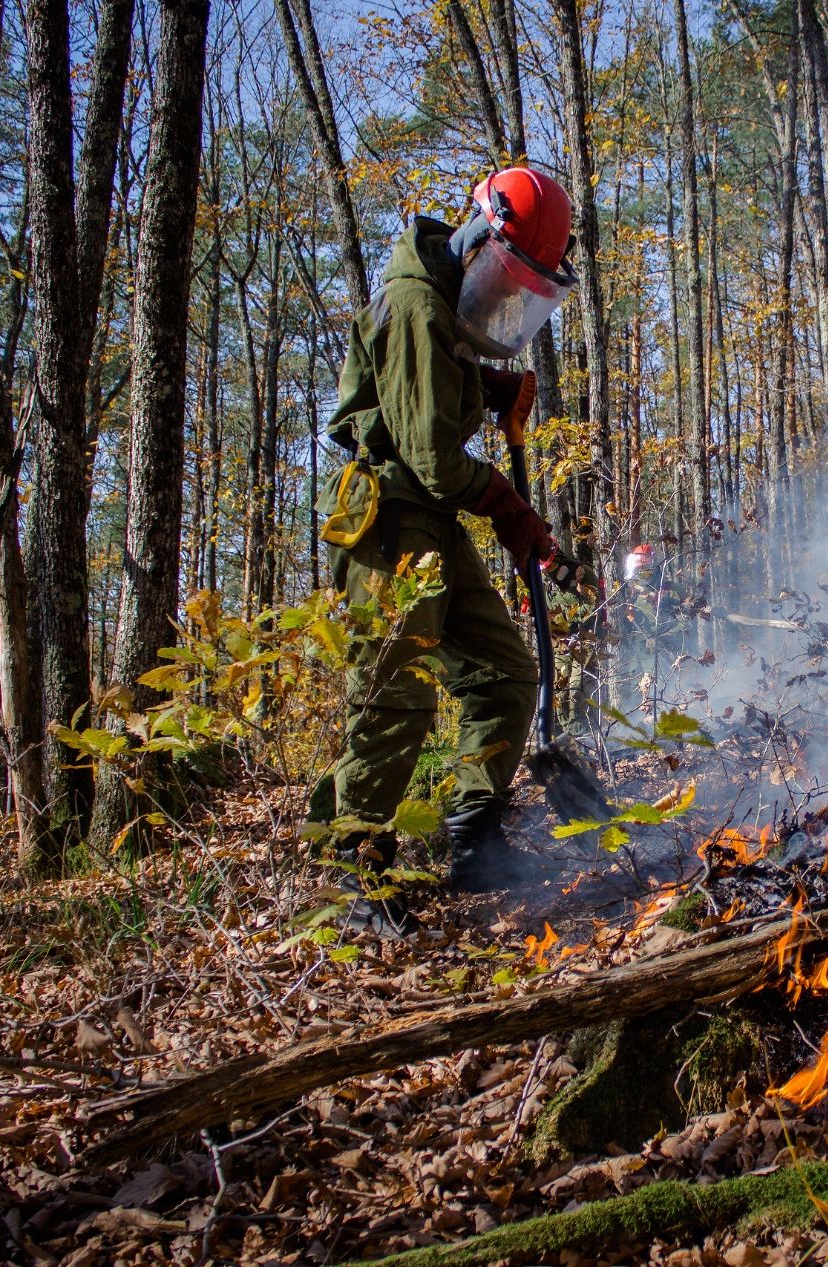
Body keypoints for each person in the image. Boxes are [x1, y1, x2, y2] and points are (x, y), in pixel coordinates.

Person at [310, 167, 586, 933]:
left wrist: (490, 389)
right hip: (392, 511)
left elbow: (431, 385)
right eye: (509, 274)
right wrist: (504, 502)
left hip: (429, 511)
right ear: (482, 237)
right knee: (395, 687)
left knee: (504, 670)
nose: (507, 295)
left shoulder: (443, 298)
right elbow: (429, 452)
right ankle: (353, 863)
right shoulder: (414, 302)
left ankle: (474, 840)